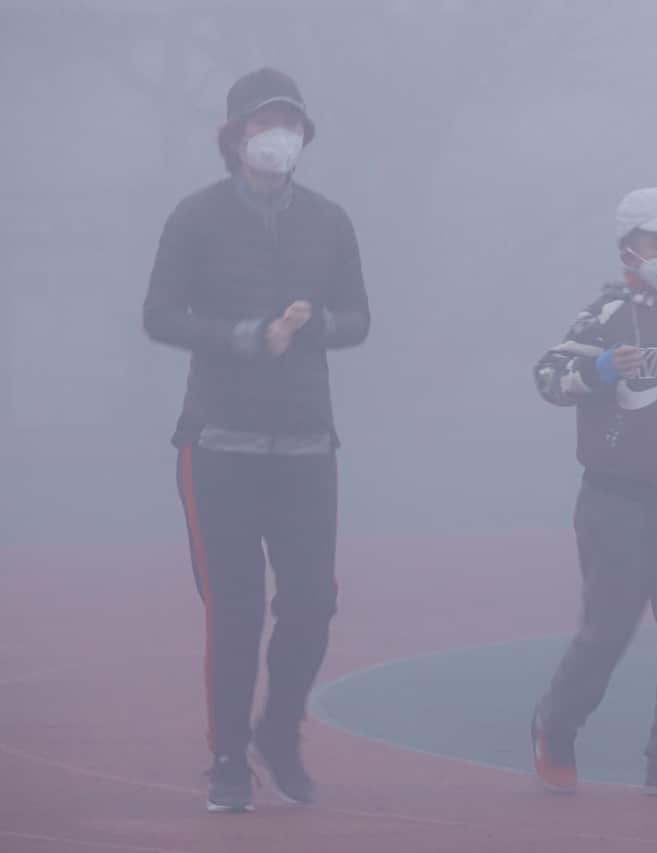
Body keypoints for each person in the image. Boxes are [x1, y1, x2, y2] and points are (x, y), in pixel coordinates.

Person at [143, 67, 370, 812]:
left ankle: (278, 728)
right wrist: (246, 337)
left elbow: (359, 317)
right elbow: (160, 316)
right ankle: (227, 758)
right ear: (235, 137)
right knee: (235, 607)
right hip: (217, 444)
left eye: (291, 125)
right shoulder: (195, 216)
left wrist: (315, 328)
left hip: (306, 442)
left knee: (312, 601)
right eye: (263, 125)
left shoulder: (330, 221)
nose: (279, 138)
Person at [530, 187, 657, 798]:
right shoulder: (606, 316)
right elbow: (547, 378)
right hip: (613, 499)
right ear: (630, 249)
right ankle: (556, 724)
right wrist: (595, 372)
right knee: (607, 630)